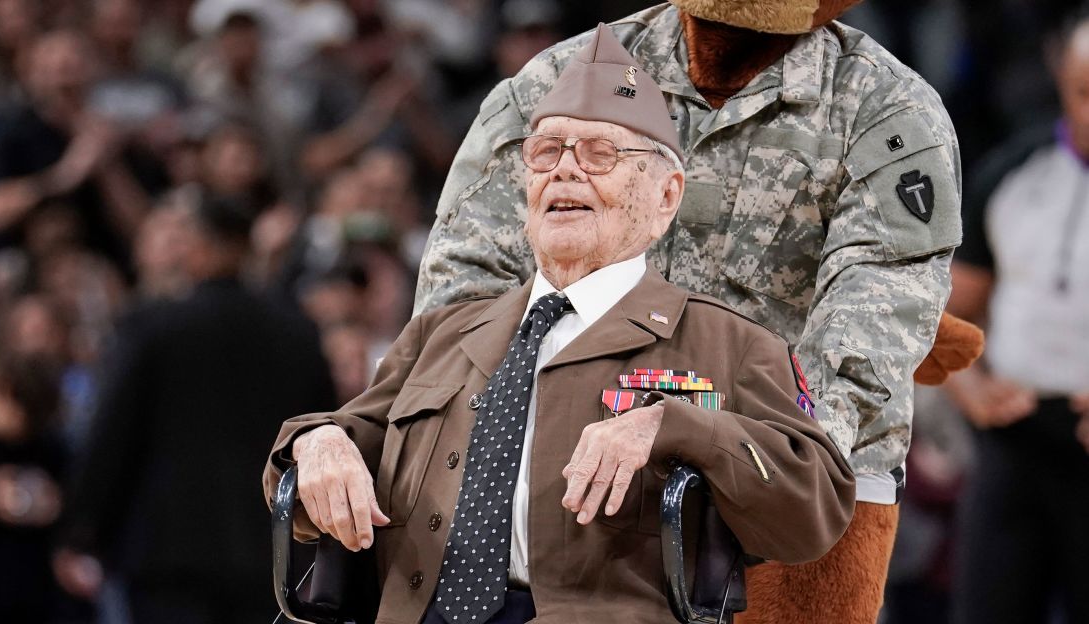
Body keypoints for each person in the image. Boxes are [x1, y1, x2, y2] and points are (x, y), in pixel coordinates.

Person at [264, 27, 855, 624]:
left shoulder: (732, 344)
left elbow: (816, 512)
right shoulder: (440, 335)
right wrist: (318, 442)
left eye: (599, 153)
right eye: (546, 152)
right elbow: (333, 451)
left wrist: (678, 427)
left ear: (665, 197)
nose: (565, 172)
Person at [413, 2, 970, 620]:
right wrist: (483, 440)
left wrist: (764, 462)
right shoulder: (565, 80)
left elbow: (875, 312)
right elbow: (464, 281)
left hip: (794, 461)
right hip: (580, 457)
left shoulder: (886, 106)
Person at [58, 193, 337, 624]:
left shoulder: (151, 325)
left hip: (165, 555)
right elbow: (323, 436)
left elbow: (112, 435)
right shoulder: (298, 332)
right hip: (270, 553)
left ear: (204, 246)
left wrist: (80, 528)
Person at [944, 12, 1089, 624]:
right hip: (1016, 435)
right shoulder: (1009, 174)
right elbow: (942, 319)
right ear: (1061, 79)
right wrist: (965, 385)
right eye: (1086, 92)